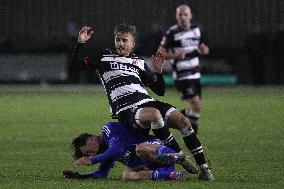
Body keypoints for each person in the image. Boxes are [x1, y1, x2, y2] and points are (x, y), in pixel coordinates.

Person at [70, 23, 214, 180]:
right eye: (118, 40)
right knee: (153, 115)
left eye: (125, 40)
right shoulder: (103, 57)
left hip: (147, 101)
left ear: (132, 43)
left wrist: (158, 73)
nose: (120, 43)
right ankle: (179, 156)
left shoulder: (139, 62)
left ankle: (205, 169)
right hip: (127, 110)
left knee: (183, 121)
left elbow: (160, 91)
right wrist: (80, 43)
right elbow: (74, 66)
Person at [62, 122, 199, 180]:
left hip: (154, 149)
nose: (90, 155)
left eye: (88, 152)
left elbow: (118, 148)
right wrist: (79, 177)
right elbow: (101, 175)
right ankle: (173, 175)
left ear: (91, 139)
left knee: (139, 149)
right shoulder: (107, 152)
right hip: (154, 165)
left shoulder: (108, 130)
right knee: (127, 175)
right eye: (87, 155)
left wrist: (93, 160)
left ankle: (178, 158)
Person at [158, 5, 209, 135]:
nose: (183, 17)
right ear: (176, 17)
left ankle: (167, 120)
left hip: (195, 74)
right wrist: (175, 56)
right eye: (180, 15)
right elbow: (160, 53)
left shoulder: (196, 30)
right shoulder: (172, 33)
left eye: (185, 15)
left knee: (195, 109)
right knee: (196, 105)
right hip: (182, 75)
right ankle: (193, 138)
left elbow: (201, 46)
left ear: (190, 16)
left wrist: (204, 49)